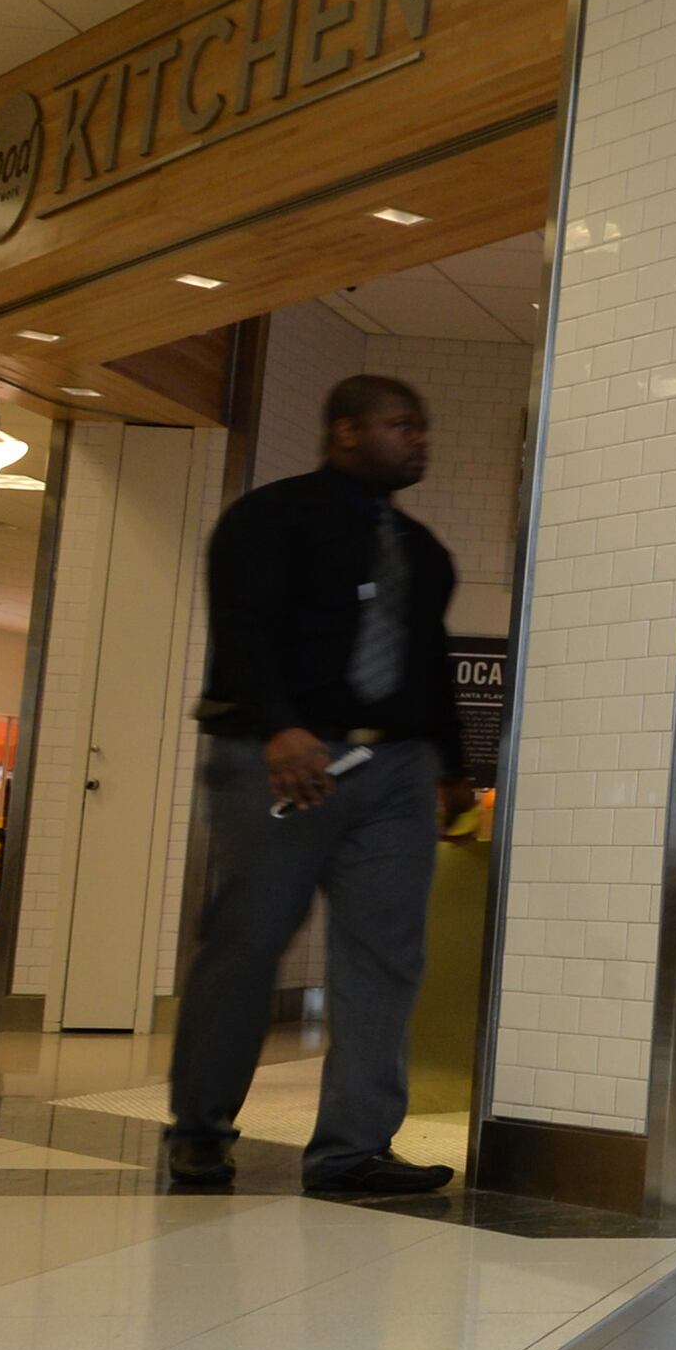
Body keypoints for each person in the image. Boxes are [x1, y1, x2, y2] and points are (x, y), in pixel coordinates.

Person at [164, 375, 469, 1197]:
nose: (420, 441)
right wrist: (280, 726)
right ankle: (199, 1131)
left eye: (423, 428)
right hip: (286, 759)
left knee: (385, 955)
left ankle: (353, 1150)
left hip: (397, 770)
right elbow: (243, 630)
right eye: (402, 425)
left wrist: (451, 765)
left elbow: (429, 663)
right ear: (344, 430)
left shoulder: (421, 551)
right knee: (248, 941)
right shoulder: (270, 519)